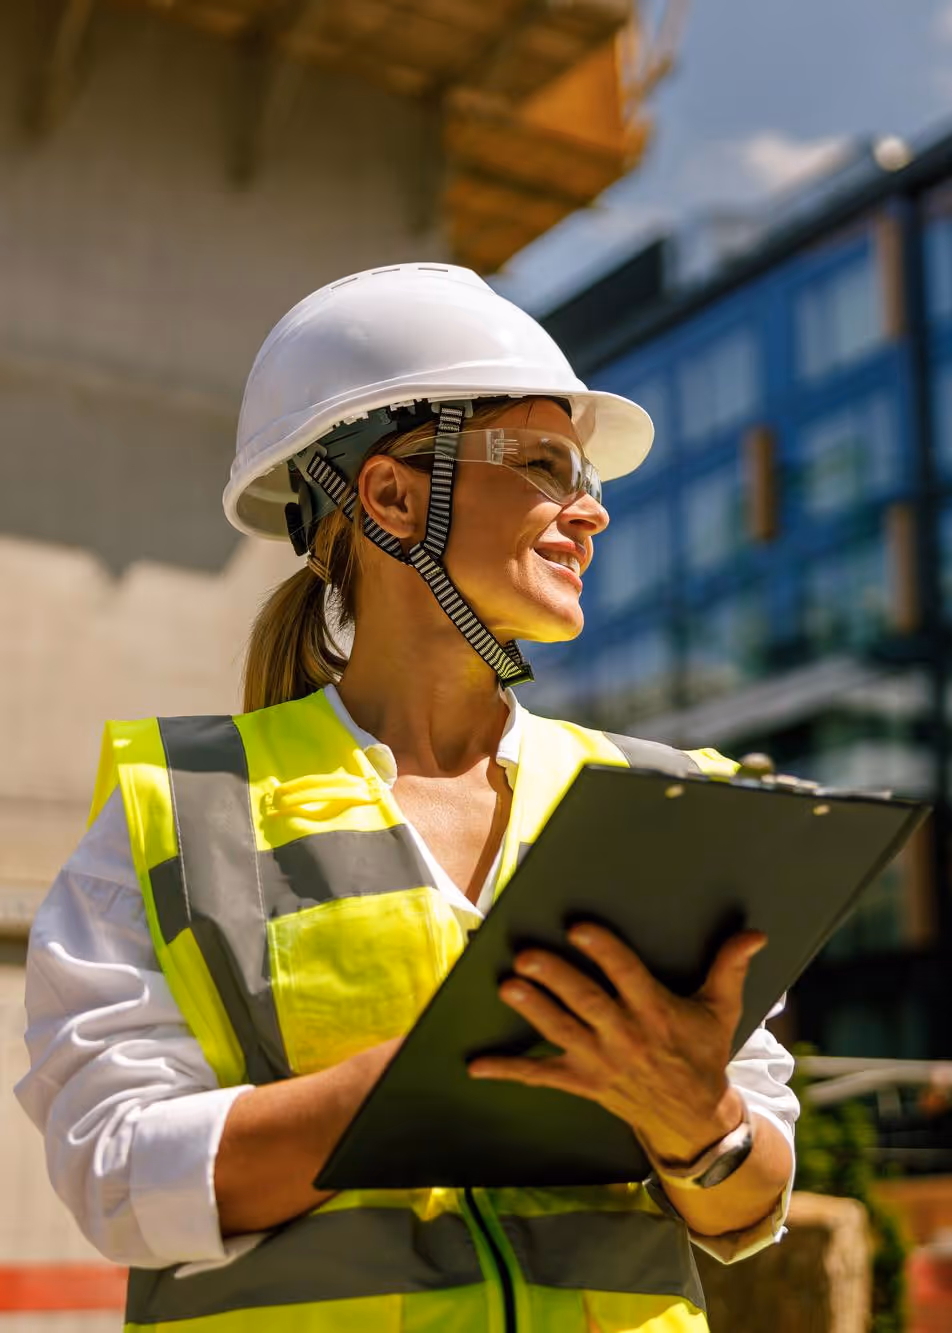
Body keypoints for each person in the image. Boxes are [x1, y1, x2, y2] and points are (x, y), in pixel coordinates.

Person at [17, 263, 798, 1332]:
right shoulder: (182, 811)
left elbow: (751, 1199)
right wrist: (416, 1089)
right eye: (544, 464)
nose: (592, 513)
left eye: (588, 476)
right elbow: (114, 1175)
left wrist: (699, 1121)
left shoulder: (666, 802)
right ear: (389, 496)